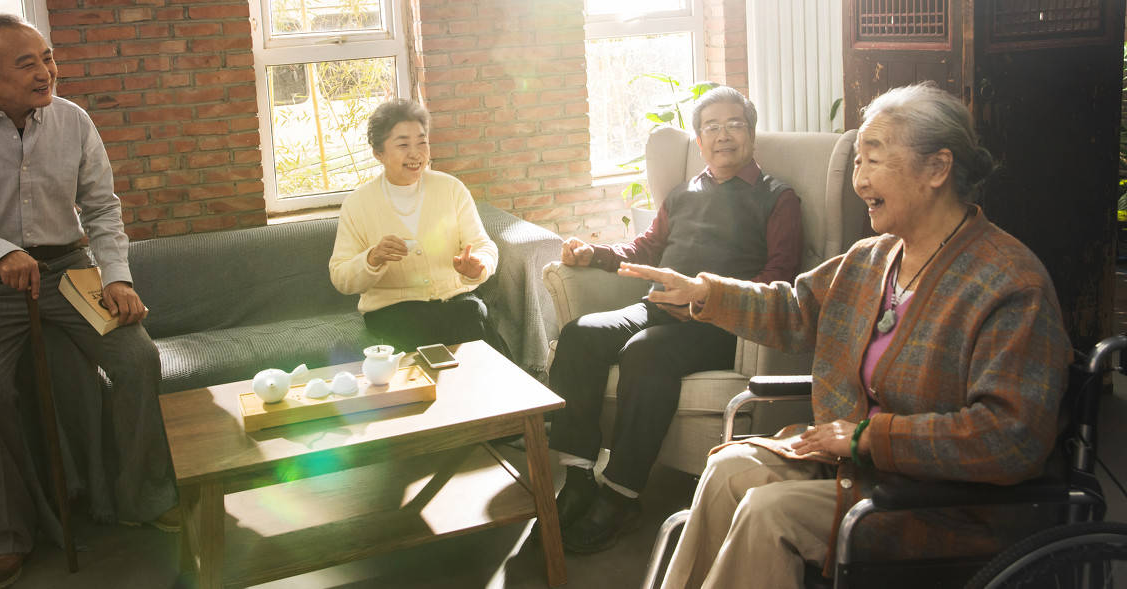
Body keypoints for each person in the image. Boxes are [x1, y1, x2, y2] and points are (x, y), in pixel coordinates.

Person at [623, 82, 1073, 589]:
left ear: (937, 169)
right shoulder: (874, 256)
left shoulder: (1009, 282)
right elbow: (794, 309)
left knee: (770, 511)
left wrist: (868, 437)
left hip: (947, 503)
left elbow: (1011, 437)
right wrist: (705, 291)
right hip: (854, 470)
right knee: (730, 469)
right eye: (857, 162)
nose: (859, 181)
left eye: (874, 161)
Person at [0, 14, 178, 589]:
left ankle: (141, 498)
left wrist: (118, 277)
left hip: (68, 270)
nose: (45, 71)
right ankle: (9, 536)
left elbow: (102, 209)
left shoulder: (74, 121)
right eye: (26, 63)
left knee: (138, 359)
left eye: (48, 57)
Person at [548, 85, 803, 555]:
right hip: (658, 306)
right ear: (699, 141)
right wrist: (594, 253)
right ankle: (579, 474)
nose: (723, 135)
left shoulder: (777, 198)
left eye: (734, 125)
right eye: (711, 127)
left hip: (720, 322)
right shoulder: (684, 194)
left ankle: (622, 494)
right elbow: (644, 249)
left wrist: (709, 301)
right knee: (580, 334)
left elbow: (778, 279)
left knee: (646, 351)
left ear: (751, 135)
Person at [329, 99, 506, 355]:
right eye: (403, 145)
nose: (416, 153)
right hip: (394, 312)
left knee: (472, 315)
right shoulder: (357, 204)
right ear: (378, 152)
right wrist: (372, 258)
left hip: (456, 304)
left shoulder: (451, 188)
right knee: (423, 334)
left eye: (422, 142)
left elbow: (483, 246)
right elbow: (340, 276)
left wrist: (478, 265)